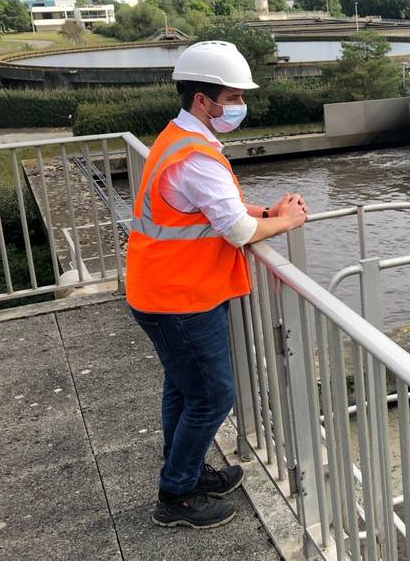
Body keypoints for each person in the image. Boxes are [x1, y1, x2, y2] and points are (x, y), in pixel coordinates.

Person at [125, 40, 307, 529]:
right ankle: (176, 497)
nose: (240, 106)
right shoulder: (196, 157)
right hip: (181, 298)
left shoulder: (179, 139)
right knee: (212, 397)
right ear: (203, 100)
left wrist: (266, 211)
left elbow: (215, 208)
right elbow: (237, 230)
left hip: (163, 290)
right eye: (233, 97)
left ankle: (185, 473)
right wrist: (285, 221)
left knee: (183, 390)